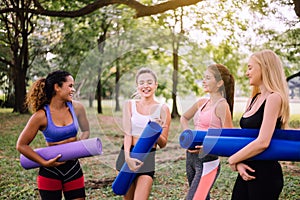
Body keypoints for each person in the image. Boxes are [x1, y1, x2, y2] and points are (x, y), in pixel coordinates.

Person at [16, 70, 90, 200]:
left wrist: (78, 147)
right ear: (57, 87)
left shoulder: (77, 108)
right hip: (50, 171)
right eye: (70, 86)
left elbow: (86, 130)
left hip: (73, 167)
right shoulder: (41, 116)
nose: (73, 90)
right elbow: (21, 145)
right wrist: (44, 163)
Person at [228, 49, 290, 200]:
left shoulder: (274, 98)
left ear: (265, 68)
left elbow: (263, 142)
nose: (246, 73)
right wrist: (239, 163)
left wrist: (232, 160)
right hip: (247, 169)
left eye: (250, 68)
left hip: (265, 174)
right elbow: (247, 138)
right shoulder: (253, 99)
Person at [180, 64, 235, 200]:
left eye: (208, 78)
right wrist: (188, 135)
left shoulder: (222, 105)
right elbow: (184, 117)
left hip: (208, 160)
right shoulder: (202, 102)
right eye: (203, 77)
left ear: (219, 83)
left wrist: (208, 147)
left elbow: (228, 138)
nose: (203, 81)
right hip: (191, 157)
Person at [115, 67, 171, 200]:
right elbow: (127, 133)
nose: (145, 86)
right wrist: (127, 157)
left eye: (149, 82)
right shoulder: (129, 105)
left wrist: (155, 131)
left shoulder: (163, 109)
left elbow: (163, 143)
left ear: (156, 85)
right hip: (127, 155)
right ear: (137, 86)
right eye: (142, 83)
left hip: (147, 158)